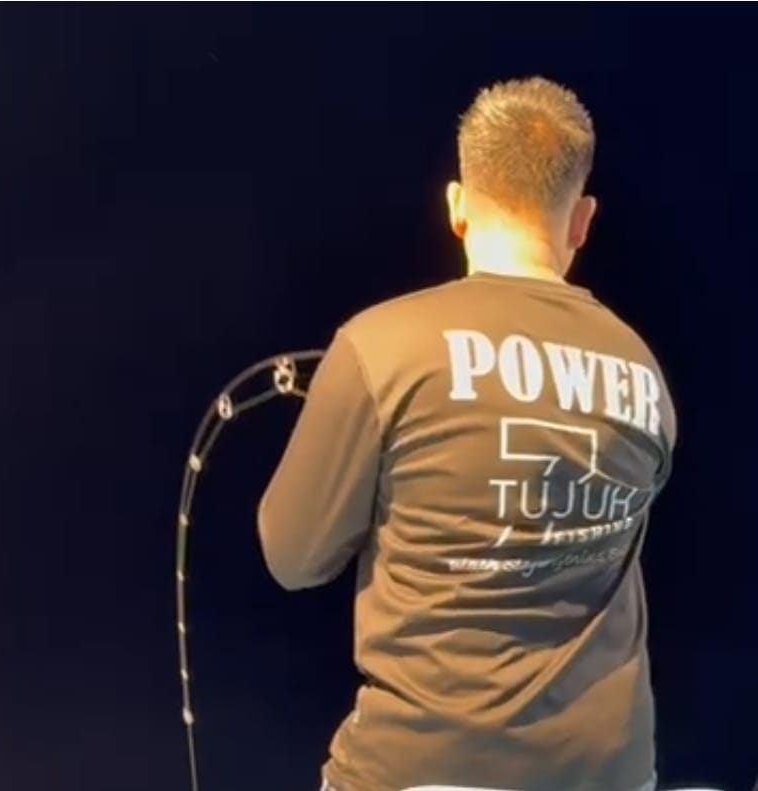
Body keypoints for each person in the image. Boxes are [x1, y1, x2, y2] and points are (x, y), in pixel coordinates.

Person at [257, 76, 676, 791]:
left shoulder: (379, 345)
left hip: (420, 767)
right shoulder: (643, 369)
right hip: (610, 769)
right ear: (582, 220)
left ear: (458, 206)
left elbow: (294, 556)